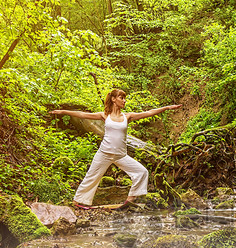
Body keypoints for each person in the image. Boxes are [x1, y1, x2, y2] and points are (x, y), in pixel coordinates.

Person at [50, 89, 180, 209]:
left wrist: (167, 107)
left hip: (120, 155)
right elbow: (82, 115)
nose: (124, 100)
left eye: (124, 98)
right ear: (113, 99)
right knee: (92, 176)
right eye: (121, 97)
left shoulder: (127, 116)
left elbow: (149, 113)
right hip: (104, 153)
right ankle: (77, 202)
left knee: (142, 172)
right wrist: (63, 112)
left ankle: (130, 200)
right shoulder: (104, 115)